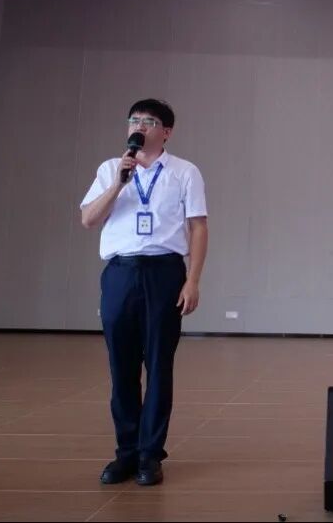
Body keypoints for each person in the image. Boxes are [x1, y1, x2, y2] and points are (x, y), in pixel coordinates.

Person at [80, 99, 208, 486]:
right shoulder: (110, 169)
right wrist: (118, 184)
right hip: (120, 272)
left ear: (166, 132)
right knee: (121, 368)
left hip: (164, 272)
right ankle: (126, 452)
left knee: (158, 365)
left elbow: (198, 227)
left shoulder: (184, 172)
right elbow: (88, 219)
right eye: (134, 120)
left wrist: (192, 280)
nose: (139, 126)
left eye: (149, 121)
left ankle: (150, 455)